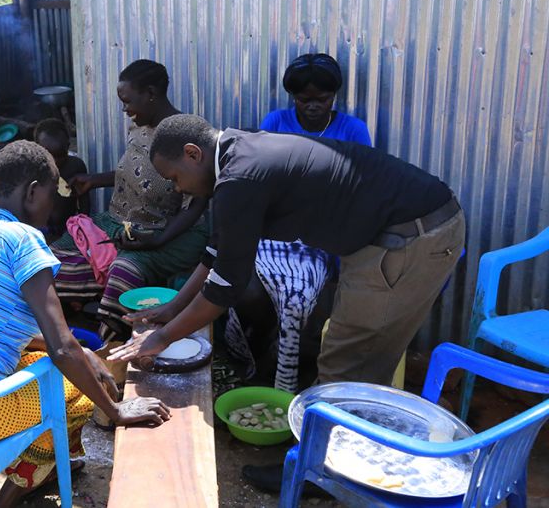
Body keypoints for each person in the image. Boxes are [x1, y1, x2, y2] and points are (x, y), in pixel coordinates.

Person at [112, 114, 465, 493]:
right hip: (399, 233)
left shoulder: (240, 178)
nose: (178, 189)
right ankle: (337, 461)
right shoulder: (239, 156)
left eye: (174, 177)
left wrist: (161, 338)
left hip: (408, 239)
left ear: (192, 153)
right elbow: (219, 249)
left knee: (349, 360)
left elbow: (226, 287)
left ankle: (321, 474)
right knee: (358, 360)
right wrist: (171, 309)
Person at [0, 141, 171, 506]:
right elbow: (60, 347)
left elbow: (3, 326)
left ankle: (49, 467)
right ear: (32, 192)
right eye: (51, 194)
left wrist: (83, 352)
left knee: (48, 366)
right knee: (74, 396)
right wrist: (115, 409)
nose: (53, 204)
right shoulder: (26, 242)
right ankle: (9, 498)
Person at [225, 54, 373, 393]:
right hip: (276, 231)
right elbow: (261, 180)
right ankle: (259, 355)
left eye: (321, 100)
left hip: (321, 237)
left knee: (304, 299)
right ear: (293, 98)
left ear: (333, 97)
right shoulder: (276, 121)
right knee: (247, 294)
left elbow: (357, 188)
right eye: (304, 100)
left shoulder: (352, 129)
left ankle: (283, 364)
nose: (312, 107)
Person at [53, 60, 210, 340]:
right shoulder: (138, 127)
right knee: (50, 259)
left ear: (151, 93)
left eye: (128, 101)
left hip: (168, 230)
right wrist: (94, 180)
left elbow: (198, 202)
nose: (125, 110)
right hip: (117, 221)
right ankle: (60, 328)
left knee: (123, 272)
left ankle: (109, 351)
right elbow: (136, 174)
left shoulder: (186, 135)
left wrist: (159, 241)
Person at [33, 118, 90, 241]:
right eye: (47, 156)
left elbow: (84, 201)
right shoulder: (31, 169)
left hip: (68, 228)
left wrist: (84, 227)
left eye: (60, 155)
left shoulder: (75, 166)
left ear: (68, 147)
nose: (54, 162)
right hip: (38, 229)